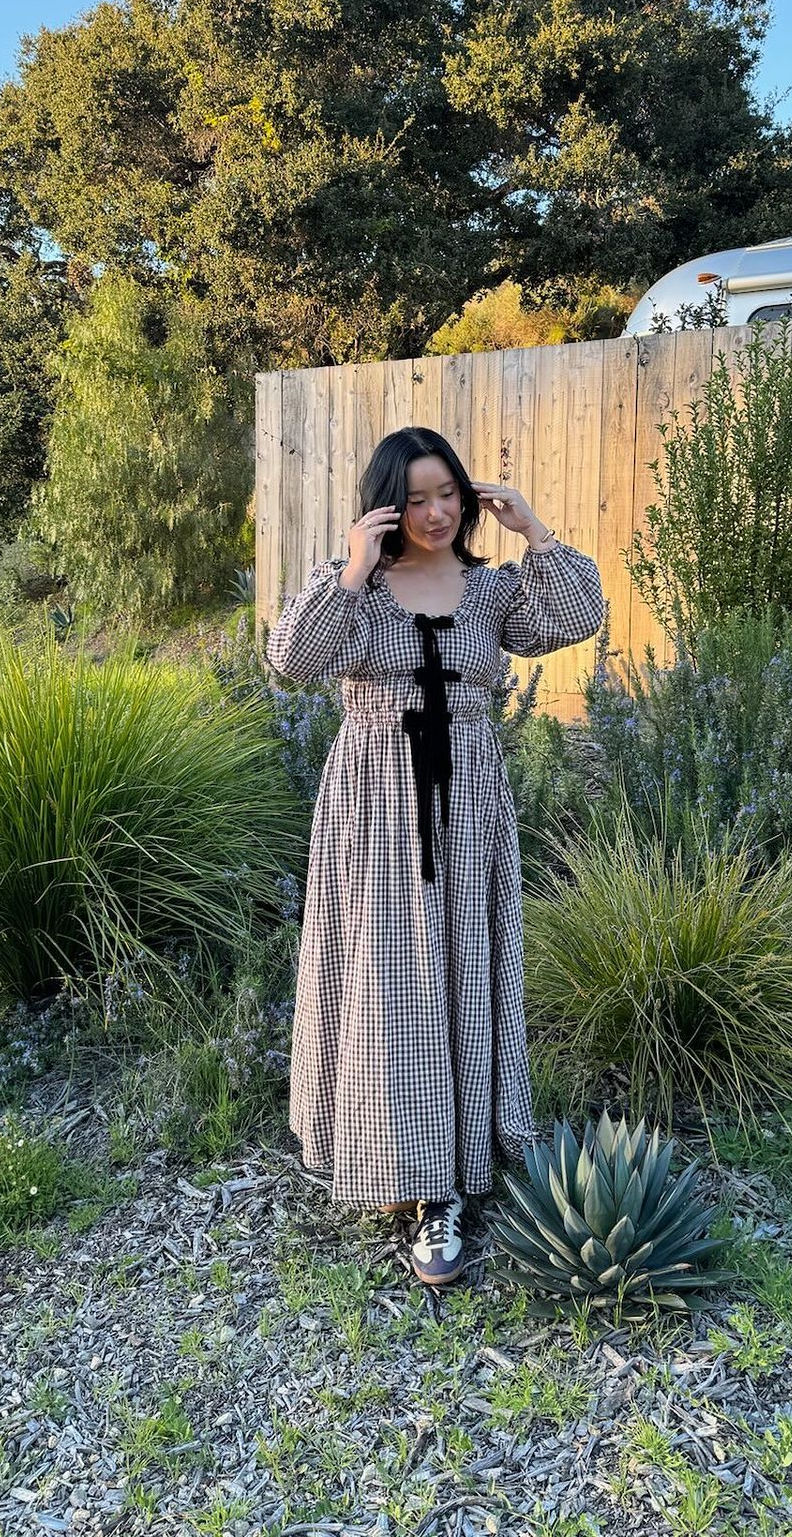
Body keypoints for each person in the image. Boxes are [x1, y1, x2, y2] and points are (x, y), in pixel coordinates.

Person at [265, 425, 604, 1287]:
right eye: (415, 499)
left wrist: (535, 532)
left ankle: (453, 1168)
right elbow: (292, 659)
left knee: (460, 968)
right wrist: (352, 567)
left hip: (468, 802)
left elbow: (579, 615)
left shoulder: (491, 591)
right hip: (375, 806)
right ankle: (409, 1170)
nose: (436, 512)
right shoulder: (355, 590)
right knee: (390, 980)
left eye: (447, 492)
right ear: (387, 505)